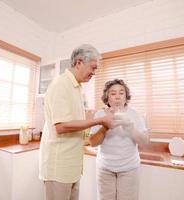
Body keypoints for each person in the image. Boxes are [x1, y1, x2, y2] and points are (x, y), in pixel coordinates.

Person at [39, 44, 114, 200]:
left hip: (71, 167)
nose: (94, 72)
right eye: (92, 68)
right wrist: (99, 120)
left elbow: (75, 121)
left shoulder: (77, 88)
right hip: (58, 167)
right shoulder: (61, 84)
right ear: (79, 62)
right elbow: (61, 126)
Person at [89, 79, 149, 200]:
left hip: (129, 168)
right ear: (107, 98)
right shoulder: (100, 115)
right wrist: (105, 127)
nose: (117, 97)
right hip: (105, 168)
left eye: (121, 93)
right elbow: (93, 142)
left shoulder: (134, 114)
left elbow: (145, 142)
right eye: (113, 93)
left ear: (126, 97)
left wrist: (131, 128)